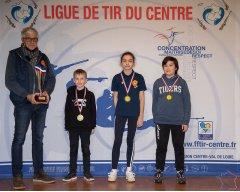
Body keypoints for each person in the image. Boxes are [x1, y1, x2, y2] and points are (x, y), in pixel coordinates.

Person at [5, 27, 56, 190]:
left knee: (38, 138)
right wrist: (27, 95)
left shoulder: (43, 57)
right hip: (23, 104)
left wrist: (47, 92)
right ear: (22, 39)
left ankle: (39, 173)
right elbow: (10, 81)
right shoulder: (14, 55)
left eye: (35, 39)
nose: (32, 41)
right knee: (19, 139)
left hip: (40, 105)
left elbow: (51, 78)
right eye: (29, 38)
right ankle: (17, 176)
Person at [108, 51, 146, 182]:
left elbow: (141, 97)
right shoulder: (116, 78)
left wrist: (141, 115)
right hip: (120, 114)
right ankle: (113, 170)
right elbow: (115, 96)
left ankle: (129, 170)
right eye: (124, 60)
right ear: (121, 63)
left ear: (133, 63)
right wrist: (118, 109)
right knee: (117, 141)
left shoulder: (139, 77)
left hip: (134, 114)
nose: (127, 63)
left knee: (130, 141)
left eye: (130, 60)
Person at [152, 56, 191, 184]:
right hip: (161, 121)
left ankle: (180, 172)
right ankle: (159, 171)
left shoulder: (182, 82)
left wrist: (185, 121)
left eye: (170, 65)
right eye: (165, 65)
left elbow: (187, 103)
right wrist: (156, 119)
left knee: (178, 147)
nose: (167, 68)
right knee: (161, 147)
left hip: (178, 122)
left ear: (176, 67)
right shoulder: (158, 82)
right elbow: (154, 102)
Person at [63, 69, 96, 182]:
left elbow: (93, 111)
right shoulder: (71, 94)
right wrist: (67, 126)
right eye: (77, 78)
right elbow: (66, 110)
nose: (79, 81)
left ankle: (87, 173)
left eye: (82, 78)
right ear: (73, 80)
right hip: (73, 127)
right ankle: (72, 173)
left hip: (86, 127)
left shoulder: (90, 95)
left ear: (86, 80)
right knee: (73, 149)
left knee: (86, 149)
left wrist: (93, 125)